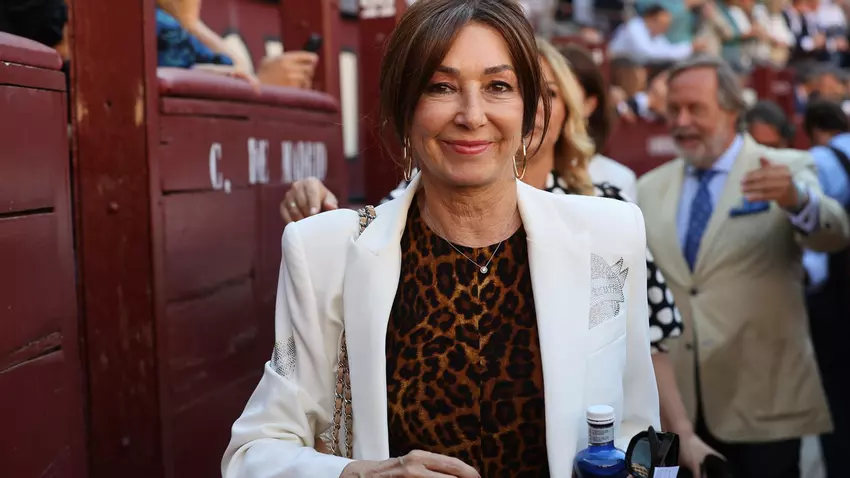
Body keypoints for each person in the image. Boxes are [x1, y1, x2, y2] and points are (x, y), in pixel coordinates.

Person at [222, 0, 660, 476]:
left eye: (498, 86)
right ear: (404, 108)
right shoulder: (325, 253)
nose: (472, 115)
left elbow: (639, 436)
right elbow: (253, 453)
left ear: (528, 109)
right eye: (441, 87)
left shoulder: (609, 236)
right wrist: (360, 474)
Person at [638, 55, 850, 478]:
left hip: (764, 403)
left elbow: (833, 233)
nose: (681, 121)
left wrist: (796, 200)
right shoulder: (648, 187)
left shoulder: (787, 168)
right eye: (673, 109)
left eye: (695, 108)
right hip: (678, 410)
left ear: (732, 110)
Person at [801, 98, 850, 478]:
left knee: (838, 393)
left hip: (839, 298)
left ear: (816, 131)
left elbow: (813, 232)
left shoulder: (822, 159)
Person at [558, 43, 638, 198]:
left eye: (556, 94)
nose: (544, 105)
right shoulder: (516, 172)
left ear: (590, 104)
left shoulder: (617, 180)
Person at [608, 3, 704, 64]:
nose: (664, 30)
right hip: (618, 67)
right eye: (662, 25)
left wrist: (690, 47)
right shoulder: (634, 27)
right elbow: (649, 54)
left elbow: (667, 50)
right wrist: (689, 48)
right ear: (650, 18)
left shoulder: (656, 35)